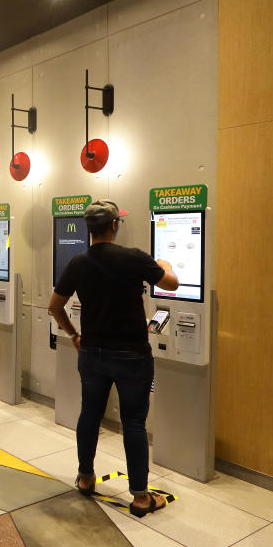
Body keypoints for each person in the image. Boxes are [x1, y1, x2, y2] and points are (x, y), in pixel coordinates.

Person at [50, 199, 180, 518]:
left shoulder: (78, 263)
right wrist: (165, 265)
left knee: (89, 415)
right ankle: (139, 496)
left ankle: (84, 477)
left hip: (92, 353)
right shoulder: (134, 258)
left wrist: (74, 335)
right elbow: (172, 284)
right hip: (132, 356)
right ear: (114, 225)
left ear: (88, 229)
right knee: (133, 422)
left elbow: (55, 307)